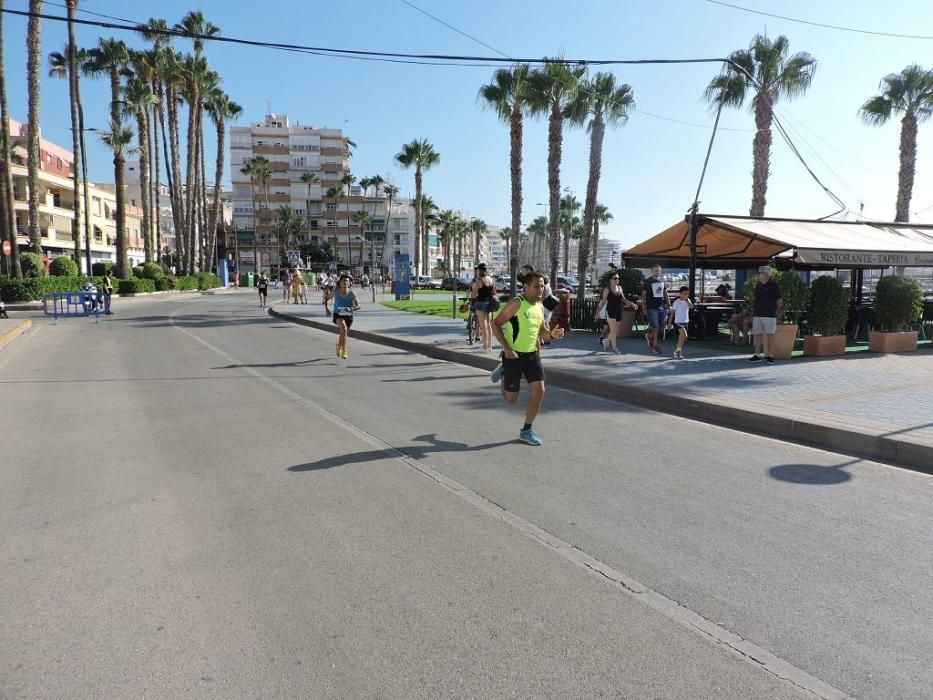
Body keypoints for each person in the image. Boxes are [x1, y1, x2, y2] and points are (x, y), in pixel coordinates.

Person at [489, 271, 565, 446]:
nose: (540, 290)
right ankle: (503, 372)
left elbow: (541, 332)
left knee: (540, 390)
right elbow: (495, 324)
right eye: (536, 286)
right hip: (513, 356)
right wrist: (507, 350)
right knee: (511, 400)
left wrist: (552, 334)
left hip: (532, 356)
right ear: (526, 287)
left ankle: (527, 430)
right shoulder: (516, 303)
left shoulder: (539, 306)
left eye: (542, 286)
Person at [748, 265, 783, 364]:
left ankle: (770, 356)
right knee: (758, 335)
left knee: (770, 335)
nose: (760, 275)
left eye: (762, 273)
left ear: (767, 275)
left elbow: (779, 301)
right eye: (759, 273)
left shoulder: (774, 286)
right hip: (758, 314)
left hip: (769, 315)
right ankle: (757, 355)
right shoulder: (758, 285)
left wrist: (774, 311)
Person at [595, 272, 638, 353]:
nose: (617, 280)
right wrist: (598, 312)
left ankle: (606, 340)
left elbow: (623, 299)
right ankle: (614, 348)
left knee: (616, 330)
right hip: (610, 311)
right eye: (615, 278)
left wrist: (631, 304)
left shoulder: (620, 288)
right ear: (610, 280)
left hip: (618, 311)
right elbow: (603, 302)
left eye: (618, 278)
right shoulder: (607, 290)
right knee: (614, 330)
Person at [325, 273, 361, 359]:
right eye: (343, 281)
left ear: (349, 283)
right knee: (343, 328)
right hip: (338, 315)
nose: (345, 282)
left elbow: (359, 305)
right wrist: (327, 309)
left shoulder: (352, 293)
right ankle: (344, 350)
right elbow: (326, 298)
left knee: (344, 333)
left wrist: (352, 309)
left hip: (348, 315)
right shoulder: (335, 292)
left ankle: (339, 346)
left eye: (347, 281)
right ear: (340, 283)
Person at [640, 263, 670, 354]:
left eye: (659, 271)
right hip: (651, 307)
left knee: (662, 325)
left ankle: (649, 336)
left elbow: (665, 293)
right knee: (656, 327)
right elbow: (643, 295)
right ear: (651, 271)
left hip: (661, 307)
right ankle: (655, 346)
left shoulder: (662, 280)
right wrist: (644, 307)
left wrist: (668, 303)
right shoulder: (648, 281)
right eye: (656, 270)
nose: (658, 272)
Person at [470, 263, 496, 352]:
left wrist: (474, 289)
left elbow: (473, 294)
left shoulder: (479, 280)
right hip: (489, 303)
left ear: (479, 270)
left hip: (481, 303)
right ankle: (489, 346)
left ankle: (484, 347)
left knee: (483, 326)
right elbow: (493, 291)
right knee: (489, 325)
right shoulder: (490, 279)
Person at [671, 286, 694, 359]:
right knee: (684, 335)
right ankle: (677, 352)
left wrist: (688, 301)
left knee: (682, 337)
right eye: (685, 294)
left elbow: (692, 307)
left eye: (687, 294)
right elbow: (672, 313)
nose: (686, 295)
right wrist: (669, 323)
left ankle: (677, 351)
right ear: (680, 293)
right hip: (678, 322)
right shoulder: (676, 302)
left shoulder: (688, 300)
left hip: (685, 322)